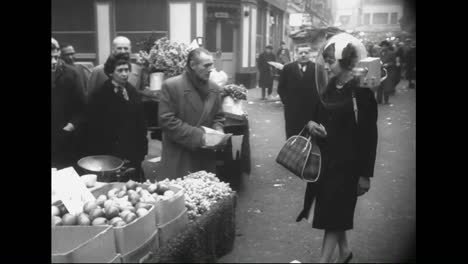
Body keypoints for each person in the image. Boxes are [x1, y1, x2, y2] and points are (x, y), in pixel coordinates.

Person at [297, 35, 378, 263]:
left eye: (331, 60)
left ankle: (324, 261)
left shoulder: (361, 93)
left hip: (347, 167)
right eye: (326, 60)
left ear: (345, 61)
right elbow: (316, 117)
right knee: (334, 211)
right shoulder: (330, 87)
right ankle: (344, 254)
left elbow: (369, 136)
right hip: (325, 162)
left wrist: (365, 174)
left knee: (333, 214)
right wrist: (312, 125)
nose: (326, 65)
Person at [158, 48, 225, 180]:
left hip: (205, 156)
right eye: (206, 65)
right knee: (180, 196)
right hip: (180, 156)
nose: (211, 69)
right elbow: (166, 121)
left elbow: (218, 117)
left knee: (204, 196)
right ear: (192, 65)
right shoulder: (171, 86)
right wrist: (200, 137)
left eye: (211, 64)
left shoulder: (214, 88)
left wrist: (219, 131)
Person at [86, 53, 148, 182]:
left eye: (127, 70)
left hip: (133, 152)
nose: (125, 74)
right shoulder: (100, 96)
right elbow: (94, 129)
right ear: (110, 73)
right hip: (110, 153)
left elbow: (141, 123)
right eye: (120, 70)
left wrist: (142, 150)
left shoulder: (133, 92)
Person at [51, 38, 86, 169]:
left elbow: (82, 108)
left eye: (55, 57)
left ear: (59, 53)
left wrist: (69, 127)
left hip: (65, 138)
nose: (53, 62)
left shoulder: (72, 74)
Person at [277, 45, 321, 139]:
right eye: (301, 53)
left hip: (311, 111)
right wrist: (287, 102)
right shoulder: (288, 68)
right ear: (296, 54)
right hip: (292, 111)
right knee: (292, 136)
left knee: (309, 138)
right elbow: (281, 88)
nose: (303, 55)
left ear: (310, 54)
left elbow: (320, 88)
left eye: (306, 53)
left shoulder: (316, 68)